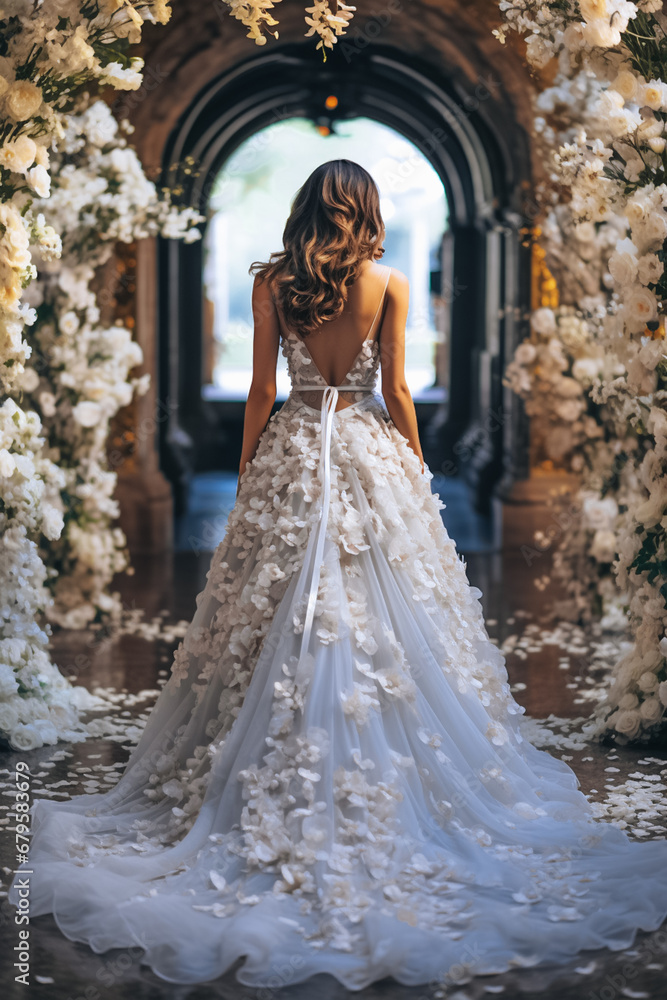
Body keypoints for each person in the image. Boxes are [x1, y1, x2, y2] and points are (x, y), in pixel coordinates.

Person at [12, 159, 667, 991]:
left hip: (294, 444)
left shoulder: (273, 283)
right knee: (384, 607)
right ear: (363, 212)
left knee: (271, 603)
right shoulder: (387, 281)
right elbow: (394, 387)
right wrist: (416, 476)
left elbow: (260, 390)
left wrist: (251, 469)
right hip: (362, 448)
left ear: (305, 211)